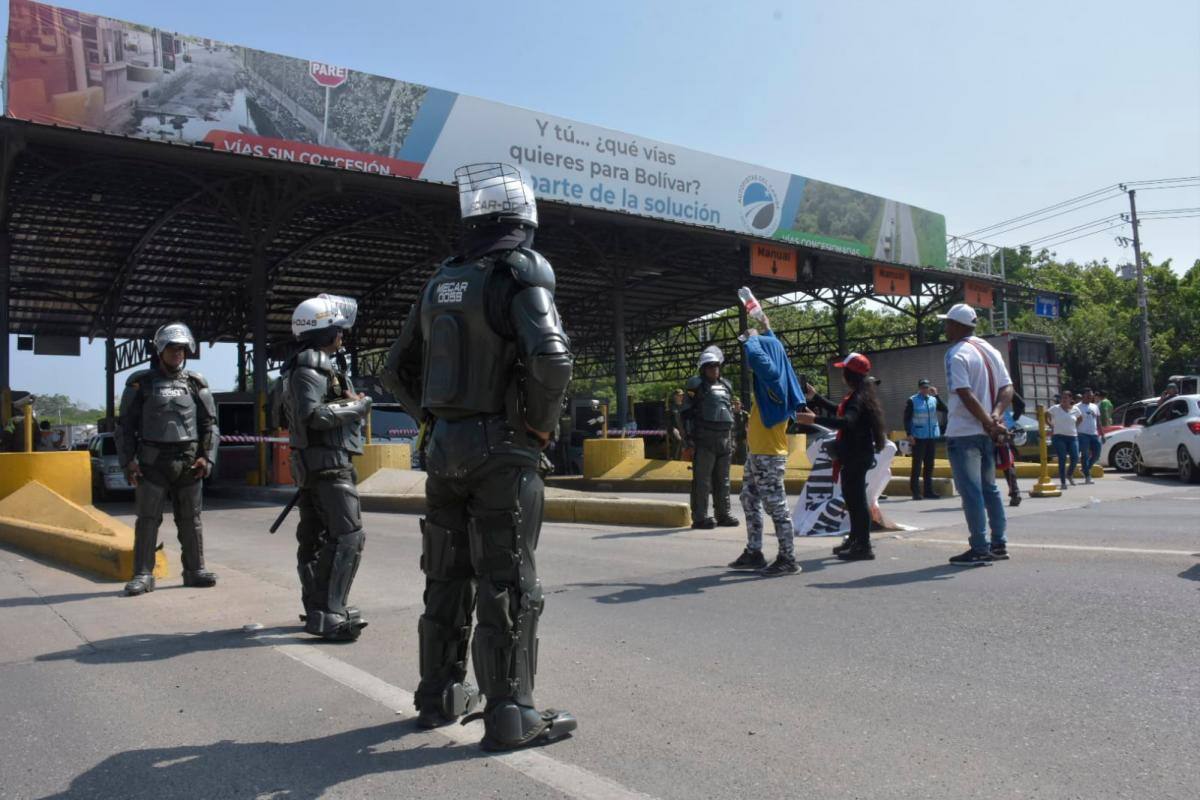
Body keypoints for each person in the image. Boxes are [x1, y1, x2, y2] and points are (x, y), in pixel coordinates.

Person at [383, 162, 577, 750]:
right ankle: (511, 713)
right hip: (504, 452)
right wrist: (539, 429)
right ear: (522, 216)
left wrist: (434, 421)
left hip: (444, 451)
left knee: (445, 573)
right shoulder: (520, 270)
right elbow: (552, 359)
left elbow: (395, 369)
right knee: (509, 581)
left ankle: (437, 696)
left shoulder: (441, 279)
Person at [280, 294, 372, 642]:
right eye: (338, 330)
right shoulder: (312, 366)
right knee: (348, 535)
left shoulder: (303, 366)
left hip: (317, 464)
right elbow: (315, 417)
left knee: (317, 537)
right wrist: (360, 407)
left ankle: (320, 608)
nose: (342, 336)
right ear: (326, 332)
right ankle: (328, 612)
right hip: (328, 463)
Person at [116, 322, 219, 595]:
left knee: (191, 519)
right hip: (152, 462)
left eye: (182, 349)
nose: (178, 353)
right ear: (160, 349)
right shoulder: (141, 384)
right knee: (147, 520)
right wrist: (128, 461)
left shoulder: (196, 383)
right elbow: (125, 426)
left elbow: (210, 424)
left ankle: (195, 570)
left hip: (188, 462)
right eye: (173, 348)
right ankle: (142, 574)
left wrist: (207, 458)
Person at [727, 314, 806, 575]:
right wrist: (766, 329)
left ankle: (788, 558)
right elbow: (774, 349)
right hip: (757, 453)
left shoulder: (775, 383)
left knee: (775, 505)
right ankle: (754, 551)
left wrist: (751, 339)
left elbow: (761, 361)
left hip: (768, 455)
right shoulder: (779, 374)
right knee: (749, 498)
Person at [938, 304, 1013, 566]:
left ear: (957, 326)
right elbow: (1007, 388)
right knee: (990, 488)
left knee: (971, 492)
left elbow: (964, 393)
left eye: (947, 323)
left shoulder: (956, 353)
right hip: (986, 433)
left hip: (965, 432)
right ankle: (998, 543)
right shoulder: (991, 350)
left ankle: (979, 547)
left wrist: (987, 422)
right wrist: (995, 416)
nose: (945, 328)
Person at [797, 353, 887, 560]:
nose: (841, 376)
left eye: (843, 371)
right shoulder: (860, 394)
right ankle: (855, 539)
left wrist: (813, 419)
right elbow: (840, 411)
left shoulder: (857, 397)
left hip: (856, 454)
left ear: (850, 375)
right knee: (852, 498)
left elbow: (847, 421)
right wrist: (816, 398)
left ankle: (863, 546)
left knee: (856, 501)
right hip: (856, 454)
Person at [682, 346, 737, 529]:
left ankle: (724, 514)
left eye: (716, 365)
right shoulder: (695, 385)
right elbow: (685, 414)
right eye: (710, 366)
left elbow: (731, 413)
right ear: (703, 368)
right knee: (703, 481)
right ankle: (700, 517)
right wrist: (688, 440)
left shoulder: (727, 385)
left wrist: (734, 437)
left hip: (725, 438)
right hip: (704, 438)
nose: (714, 369)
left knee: (723, 480)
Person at [904, 378, 947, 500]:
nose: (925, 389)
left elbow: (945, 409)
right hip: (918, 436)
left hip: (931, 436)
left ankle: (928, 491)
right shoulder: (912, 400)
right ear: (919, 388)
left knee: (929, 465)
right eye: (923, 387)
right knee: (917, 465)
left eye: (927, 387)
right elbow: (907, 418)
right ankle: (916, 492)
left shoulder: (933, 400)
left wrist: (937, 395)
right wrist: (909, 434)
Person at [1047, 389, 1083, 489]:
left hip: (1072, 437)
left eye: (1066, 398)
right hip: (1059, 437)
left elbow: (1080, 418)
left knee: (1075, 457)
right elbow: (1046, 415)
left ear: (1070, 398)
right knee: (1062, 458)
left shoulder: (1075, 409)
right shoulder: (1055, 408)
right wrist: (1050, 425)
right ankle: (1063, 482)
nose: (1063, 400)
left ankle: (1069, 474)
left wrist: (1075, 426)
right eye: (1062, 398)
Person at [1000, 392, 1027, 506]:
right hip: (1005, 425)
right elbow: (1021, 404)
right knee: (1008, 462)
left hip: (986, 425)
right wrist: (1012, 421)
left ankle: (982, 496)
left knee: (984, 462)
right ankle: (1015, 493)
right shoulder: (1004, 386)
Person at [1076, 388, 1104, 485]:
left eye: (1090, 395)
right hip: (1082, 434)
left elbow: (1098, 421)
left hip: (1094, 434)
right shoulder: (1077, 407)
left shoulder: (1095, 406)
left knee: (1097, 454)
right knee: (1085, 454)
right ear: (1083, 396)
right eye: (1087, 395)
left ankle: (1085, 469)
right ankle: (1087, 476)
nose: (1089, 397)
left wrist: (1102, 434)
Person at [666, 389, 686, 460]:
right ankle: (673, 458)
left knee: (684, 445)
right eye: (679, 395)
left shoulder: (684, 407)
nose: (681, 397)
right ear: (675, 396)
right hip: (673, 428)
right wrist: (673, 429)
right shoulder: (671, 407)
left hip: (682, 428)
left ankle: (679, 460)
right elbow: (667, 421)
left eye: (682, 395)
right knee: (678, 440)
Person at [730, 396, 749, 466]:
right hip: (731, 438)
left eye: (737, 403)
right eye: (734, 403)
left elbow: (748, 426)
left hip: (742, 439)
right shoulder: (728, 413)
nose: (736, 405)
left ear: (740, 404)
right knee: (731, 460)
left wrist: (747, 438)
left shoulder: (745, 414)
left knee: (743, 460)